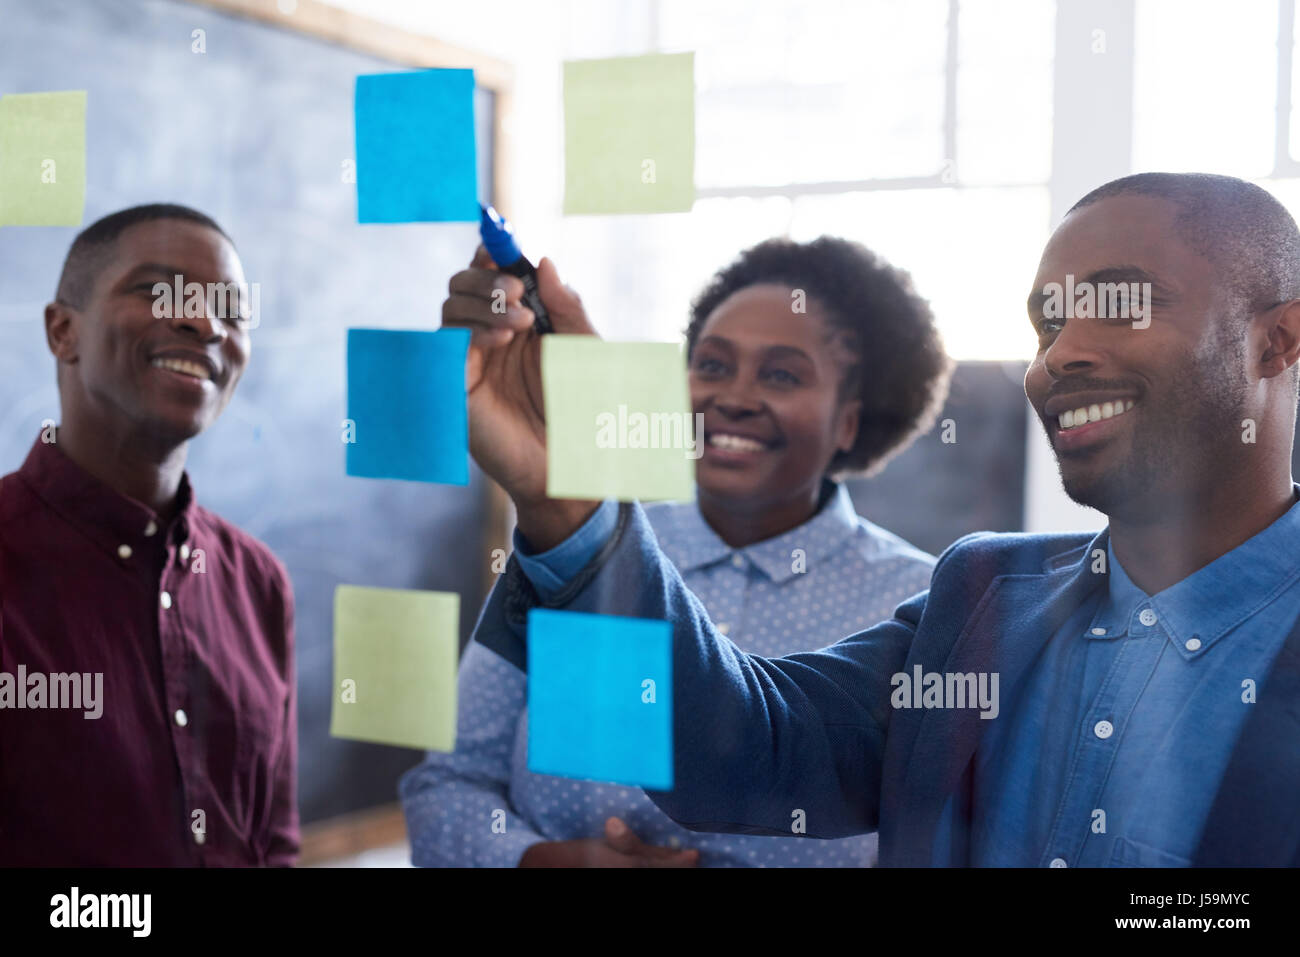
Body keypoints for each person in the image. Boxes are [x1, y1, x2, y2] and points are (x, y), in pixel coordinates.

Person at [446, 172, 1300, 866]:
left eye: (1118, 304)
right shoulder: (983, 594)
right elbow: (742, 749)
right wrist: (569, 498)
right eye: (1048, 321)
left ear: (1279, 341)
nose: (1061, 353)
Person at [402, 237, 952, 867]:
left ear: (850, 421)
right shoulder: (574, 552)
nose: (734, 397)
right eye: (713, 366)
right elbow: (445, 784)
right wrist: (536, 862)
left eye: (781, 375)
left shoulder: (922, 605)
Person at [0, 204, 298, 866]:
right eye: (159, 291)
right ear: (62, 330)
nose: (204, 322)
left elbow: (274, 841)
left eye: (231, 309)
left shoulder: (259, 584)